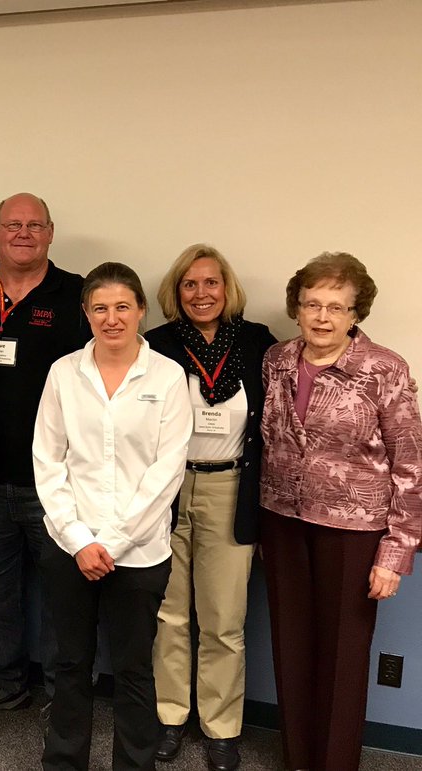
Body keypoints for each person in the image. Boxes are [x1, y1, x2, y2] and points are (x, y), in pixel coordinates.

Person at [260, 252, 420, 771]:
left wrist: (395, 553)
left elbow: (411, 466)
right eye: (312, 304)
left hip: (354, 534)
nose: (322, 317)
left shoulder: (384, 370)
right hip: (283, 522)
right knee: (291, 646)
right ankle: (297, 759)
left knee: (343, 658)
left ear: (356, 314)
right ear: (297, 308)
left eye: (336, 306)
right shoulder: (277, 360)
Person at [33, 261, 192, 771]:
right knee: (70, 664)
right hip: (69, 547)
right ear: (86, 313)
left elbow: (166, 474)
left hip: (140, 553)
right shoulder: (63, 373)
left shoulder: (167, 377)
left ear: (141, 310)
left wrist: (115, 543)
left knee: (133, 670)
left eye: (123, 307)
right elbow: (48, 461)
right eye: (100, 308)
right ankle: (63, 762)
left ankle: (134, 763)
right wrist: (81, 540)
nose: (112, 318)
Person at [0, 193, 89, 724]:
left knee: (64, 597)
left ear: (51, 233)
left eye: (35, 225)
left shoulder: (78, 295)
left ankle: (61, 693)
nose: (23, 233)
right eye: (14, 224)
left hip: (60, 481)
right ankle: (3, 682)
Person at [145, 245, 276, 771]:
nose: (201, 294)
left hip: (230, 490)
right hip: (167, 490)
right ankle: (171, 717)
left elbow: (273, 428)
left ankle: (221, 728)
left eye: (210, 283)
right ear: (176, 293)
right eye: (189, 285)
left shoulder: (255, 342)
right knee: (169, 614)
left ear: (228, 289)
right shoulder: (154, 346)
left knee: (224, 619)